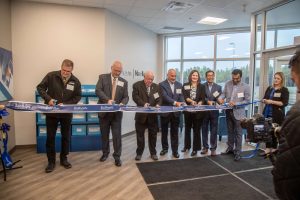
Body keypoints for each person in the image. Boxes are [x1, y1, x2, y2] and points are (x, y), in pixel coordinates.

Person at [37, 59, 81, 173]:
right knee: (50, 138)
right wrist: (48, 99)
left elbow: (77, 97)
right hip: (52, 113)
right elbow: (40, 88)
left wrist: (66, 104)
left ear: (72, 70)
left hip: (66, 114)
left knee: (66, 137)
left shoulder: (75, 81)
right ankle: (51, 162)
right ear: (61, 67)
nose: (65, 73)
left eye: (68, 71)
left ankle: (64, 159)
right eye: (64, 70)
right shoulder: (51, 76)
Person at [272, 50, 300, 200]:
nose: (293, 79)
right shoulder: (270, 89)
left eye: (294, 76)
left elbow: (287, 170)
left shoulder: (296, 115)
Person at [95, 61, 129, 167]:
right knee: (104, 135)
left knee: (116, 136)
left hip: (116, 114)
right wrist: (107, 100)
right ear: (111, 68)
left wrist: (123, 103)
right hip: (104, 113)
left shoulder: (124, 82)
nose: (117, 73)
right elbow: (98, 90)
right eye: (116, 70)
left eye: (119, 71)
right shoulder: (102, 77)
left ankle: (117, 157)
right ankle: (105, 153)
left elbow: (126, 96)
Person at [218, 69, 250, 161]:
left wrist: (236, 103)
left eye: (237, 78)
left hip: (239, 113)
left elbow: (247, 101)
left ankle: (238, 152)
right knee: (230, 131)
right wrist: (220, 98)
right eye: (233, 78)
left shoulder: (246, 87)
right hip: (228, 111)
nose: (235, 80)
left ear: (241, 77)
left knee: (238, 133)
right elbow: (223, 94)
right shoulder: (228, 83)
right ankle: (230, 148)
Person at [132, 71, 162, 161]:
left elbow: (159, 98)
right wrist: (143, 103)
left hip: (152, 116)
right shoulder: (137, 85)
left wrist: (158, 104)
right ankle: (139, 153)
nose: (150, 81)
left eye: (152, 79)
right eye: (148, 79)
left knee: (153, 136)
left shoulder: (156, 87)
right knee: (140, 136)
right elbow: (135, 97)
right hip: (141, 116)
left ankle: (153, 153)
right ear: (144, 77)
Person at [260, 72, 289, 156]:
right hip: (267, 113)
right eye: (275, 78)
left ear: (282, 80)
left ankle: (275, 149)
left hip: (277, 115)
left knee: (275, 133)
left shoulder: (284, 90)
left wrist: (271, 101)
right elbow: (264, 98)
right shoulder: (270, 88)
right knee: (267, 132)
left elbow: (284, 103)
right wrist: (264, 100)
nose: (276, 80)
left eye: (278, 78)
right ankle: (267, 149)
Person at [159, 69, 185, 158]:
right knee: (164, 132)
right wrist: (175, 103)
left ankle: (175, 151)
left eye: (175, 76)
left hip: (176, 113)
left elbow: (181, 96)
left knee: (175, 132)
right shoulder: (162, 84)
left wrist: (183, 102)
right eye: (172, 76)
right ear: (168, 75)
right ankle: (165, 148)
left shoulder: (179, 85)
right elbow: (164, 96)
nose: (173, 77)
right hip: (165, 112)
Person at [182, 70, 206, 156]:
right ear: (190, 76)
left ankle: (195, 149)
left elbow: (203, 98)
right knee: (187, 129)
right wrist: (192, 101)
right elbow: (184, 96)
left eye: (196, 75)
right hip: (188, 111)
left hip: (198, 112)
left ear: (198, 77)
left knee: (196, 130)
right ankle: (186, 146)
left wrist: (199, 103)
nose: (195, 77)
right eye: (193, 75)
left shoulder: (202, 86)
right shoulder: (185, 85)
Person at [201, 70, 222, 156]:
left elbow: (218, 98)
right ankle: (205, 147)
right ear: (206, 77)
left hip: (214, 112)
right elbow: (201, 97)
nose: (210, 77)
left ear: (214, 76)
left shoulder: (218, 87)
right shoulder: (202, 86)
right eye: (208, 76)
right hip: (204, 111)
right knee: (204, 129)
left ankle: (213, 148)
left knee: (214, 130)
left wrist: (220, 101)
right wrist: (207, 101)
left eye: (212, 75)